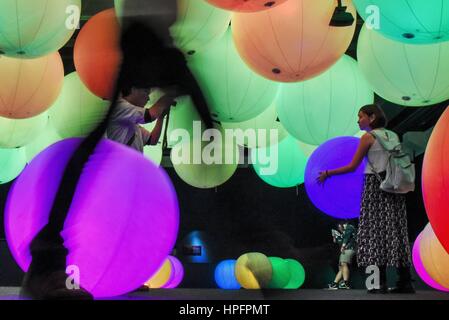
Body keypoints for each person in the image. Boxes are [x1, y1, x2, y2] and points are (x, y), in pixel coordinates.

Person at [20, 0, 214, 299]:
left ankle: (125, 274)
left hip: (128, 182)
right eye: (144, 89)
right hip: (115, 183)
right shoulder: (125, 110)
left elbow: (150, 137)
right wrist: (169, 95)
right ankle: (59, 266)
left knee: (127, 231)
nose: (148, 92)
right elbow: (149, 113)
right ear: (129, 90)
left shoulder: (131, 121)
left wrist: (164, 110)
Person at [318, 104, 414, 294]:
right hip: (393, 186)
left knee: (373, 234)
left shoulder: (368, 137)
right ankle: (405, 281)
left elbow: (353, 166)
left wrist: (328, 173)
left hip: (375, 187)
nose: (358, 120)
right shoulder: (392, 135)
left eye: (360, 116)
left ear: (371, 118)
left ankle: (378, 283)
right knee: (396, 232)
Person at [106, 85, 177, 152]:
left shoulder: (130, 120)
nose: (148, 98)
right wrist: (167, 98)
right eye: (146, 92)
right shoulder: (119, 106)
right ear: (133, 89)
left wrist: (160, 118)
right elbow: (150, 115)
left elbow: (152, 140)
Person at [327, 221, 356, 290]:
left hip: (350, 249)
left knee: (343, 263)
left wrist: (343, 246)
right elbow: (340, 241)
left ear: (342, 224)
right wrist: (335, 237)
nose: (339, 228)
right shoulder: (343, 233)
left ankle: (345, 283)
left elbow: (346, 238)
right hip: (345, 250)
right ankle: (335, 283)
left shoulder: (350, 227)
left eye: (339, 226)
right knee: (341, 267)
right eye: (338, 227)